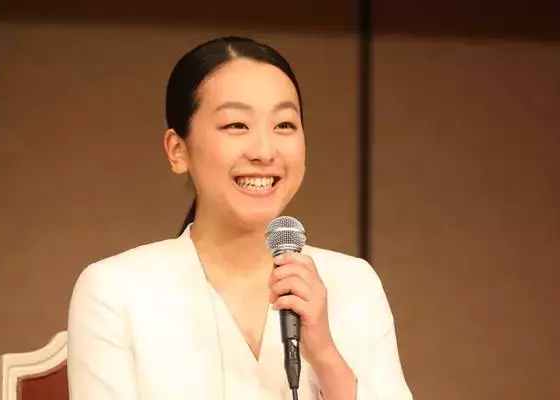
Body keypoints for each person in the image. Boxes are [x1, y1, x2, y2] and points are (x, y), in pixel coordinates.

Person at [67, 36, 412, 400]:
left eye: (284, 125)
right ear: (177, 150)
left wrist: (326, 358)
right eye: (236, 125)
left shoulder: (354, 284)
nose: (264, 151)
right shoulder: (116, 291)